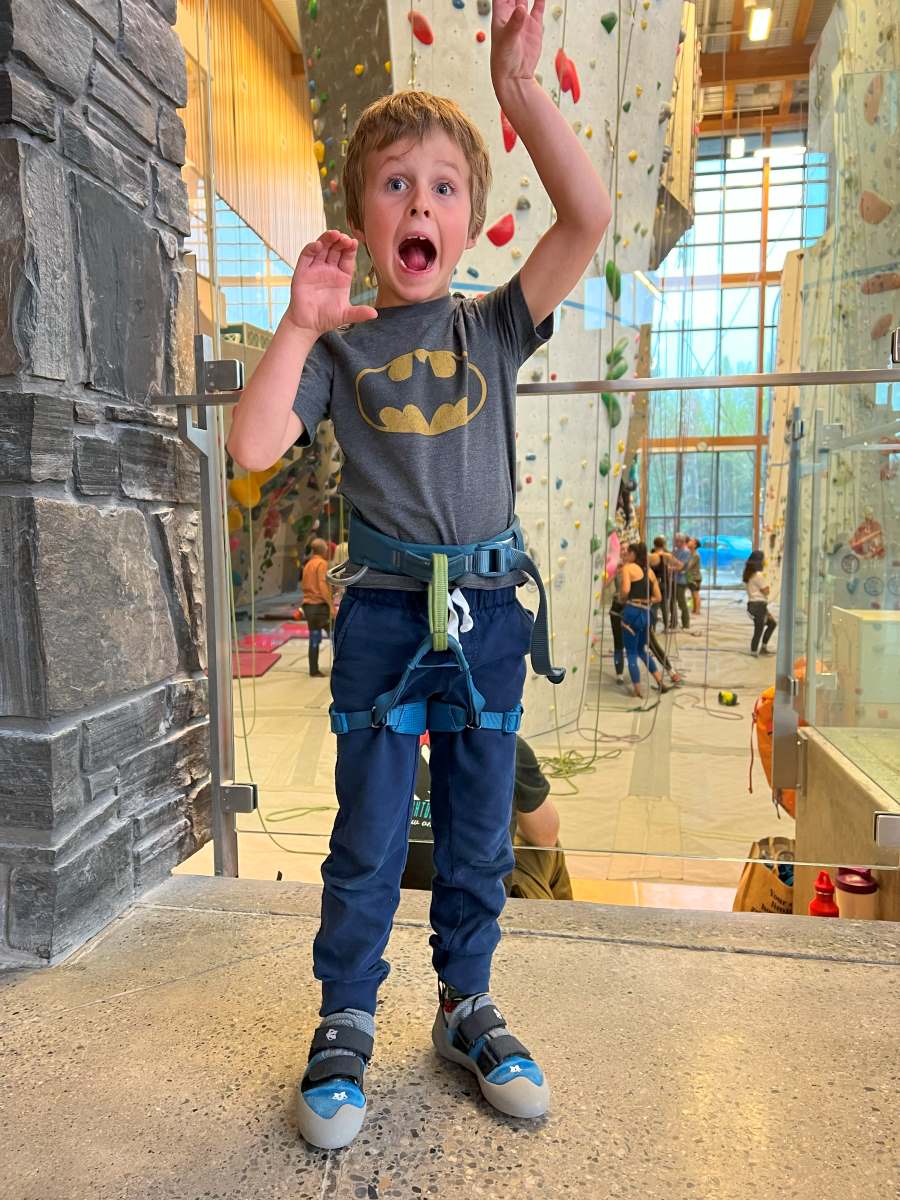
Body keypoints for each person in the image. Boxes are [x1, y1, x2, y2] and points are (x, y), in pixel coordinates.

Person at [226, 0, 610, 1149]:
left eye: (445, 185)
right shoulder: (339, 345)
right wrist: (295, 326)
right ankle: (345, 1014)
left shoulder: (494, 327)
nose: (421, 203)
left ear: (472, 222)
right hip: (388, 617)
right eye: (395, 185)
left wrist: (521, 94)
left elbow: (587, 216)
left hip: (488, 616)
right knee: (372, 830)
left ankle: (467, 1001)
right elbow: (250, 449)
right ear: (360, 216)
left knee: (484, 829)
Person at [402, 735, 573, 901]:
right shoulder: (504, 740)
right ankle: (566, 921)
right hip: (478, 907)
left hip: (392, 899)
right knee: (547, 845)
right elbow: (546, 837)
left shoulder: (387, 738)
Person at [618, 542, 671, 699]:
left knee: (632, 652)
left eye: (629, 552)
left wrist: (622, 597)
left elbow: (626, 590)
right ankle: (660, 681)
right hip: (646, 614)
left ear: (634, 554)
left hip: (632, 612)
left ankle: (638, 690)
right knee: (642, 650)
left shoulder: (628, 568)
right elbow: (658, 597)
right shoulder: (650, 573)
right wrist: (647, 601)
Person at [300, 538, 332, 677]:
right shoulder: (322, 563)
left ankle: (313, 669)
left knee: (314, 638)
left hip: (308, 607)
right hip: (320, 608)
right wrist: (332, 606)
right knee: (336, 636)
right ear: (324, 550)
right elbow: (322, 585)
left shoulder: (308, 564)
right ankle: (343, 667)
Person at [743, 550, 777, 656]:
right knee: (759, 629)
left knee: (772, 623)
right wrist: (768, 588)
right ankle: (754, 651)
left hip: (755, 605)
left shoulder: (749, 573)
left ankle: (763, 648)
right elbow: (765, 591)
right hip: (758, 606)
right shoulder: (758, 575)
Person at [671, 531, 692, 631]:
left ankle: (686, 623)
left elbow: (680, 566)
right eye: (675, 541)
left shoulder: (686, 552)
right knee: (671, 602)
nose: (676, 543)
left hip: (681, 580)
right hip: (672, 579)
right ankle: (673, 622)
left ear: (682, 541)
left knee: (681, 602)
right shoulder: (674, 551)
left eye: (677, 541)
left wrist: (672, 567)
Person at [686, 536, 702, 621]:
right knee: (692, 594)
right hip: (690, 576)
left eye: (692, 541)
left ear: (695, 545)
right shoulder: (690, 553)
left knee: (696, 594)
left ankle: (697, 610)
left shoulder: (696, 555)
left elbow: (689, 566)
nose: (689, 542)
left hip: (695, 577)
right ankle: (694, 609)